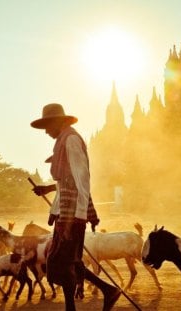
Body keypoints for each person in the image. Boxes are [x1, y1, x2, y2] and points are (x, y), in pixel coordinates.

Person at [30, 103, 121, 311]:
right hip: (66, 214)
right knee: (69, 261)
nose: (45, 131)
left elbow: (82, 180)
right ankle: (106, 291)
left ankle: (86, 300)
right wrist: (48, 189)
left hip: (72, 216)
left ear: (58, 122)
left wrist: (78, 217)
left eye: (47, 125)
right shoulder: (63, 141)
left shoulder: (70, 140)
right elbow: (67, 182)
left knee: (59, 264)